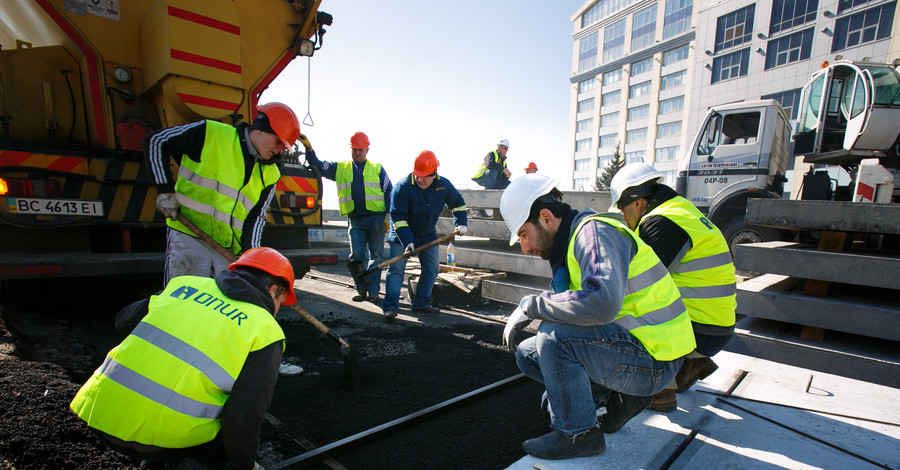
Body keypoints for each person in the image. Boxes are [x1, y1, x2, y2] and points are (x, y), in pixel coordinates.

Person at [499, 174, 695, 460]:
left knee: (554, 338)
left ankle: (578, 435)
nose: (525, 248)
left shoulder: (595, 233)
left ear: (545, 217)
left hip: (658, 359)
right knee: (529, 352)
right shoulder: (572, 243)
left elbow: (601, 302)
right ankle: (606, 400)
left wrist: (533, 305)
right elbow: (576, 305)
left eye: (523, 235)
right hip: (638, 347)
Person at [70, 247, 296, 470]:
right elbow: (243, 417)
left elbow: (123, 321)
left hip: (97, 411)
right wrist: (242, 466)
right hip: (157, 440)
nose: (276, 311)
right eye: (280, 302)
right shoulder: (265, 330)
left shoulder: (183, 285)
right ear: (272, 290)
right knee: (225, 432)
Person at [609, 163, 736, 412]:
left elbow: (636, 286)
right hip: (716, 325)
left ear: (637, 201)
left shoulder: (661, 222)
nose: (623, 218)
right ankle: (690, 364)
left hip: (699, 330)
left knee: (622, 310)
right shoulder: (685, 212)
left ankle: (659, 389)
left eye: (622, 209)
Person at [145, 102, 300, 284]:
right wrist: (164, 191)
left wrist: (250, 256)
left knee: (225, 306)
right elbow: (156, 141)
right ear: (260, 130)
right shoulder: (212, 134)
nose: (281, 149)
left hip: (228, 249)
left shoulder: (270, 173)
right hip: (189, 236)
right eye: (279, 141)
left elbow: (256, 217)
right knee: (182, 297)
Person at [301, 131, 392, 302]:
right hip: (356, 220)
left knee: (376, 257)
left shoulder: (377, 169)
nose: (357, 153)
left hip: (376, 220)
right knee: (356, 257)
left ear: (367, 150)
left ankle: (373, 291)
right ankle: (361, 290)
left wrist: (386, 217)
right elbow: (318, 166)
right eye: (354, 150)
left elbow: (389, 192)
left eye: (360, 149)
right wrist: (309, 149)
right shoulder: (340, 168)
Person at [382, 150, 467, 319]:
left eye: (425, 176)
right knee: (397, 269)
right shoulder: (402, 187)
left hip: (427, 233)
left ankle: (421, 303)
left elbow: (458, 203)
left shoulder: (444, 185)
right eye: (418, 175)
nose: (420, 179)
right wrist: (408, 241)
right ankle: (390, 307)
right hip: (402, 233)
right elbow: (398, 219)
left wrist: (461, 223)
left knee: (432, 268)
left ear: (434, 174)